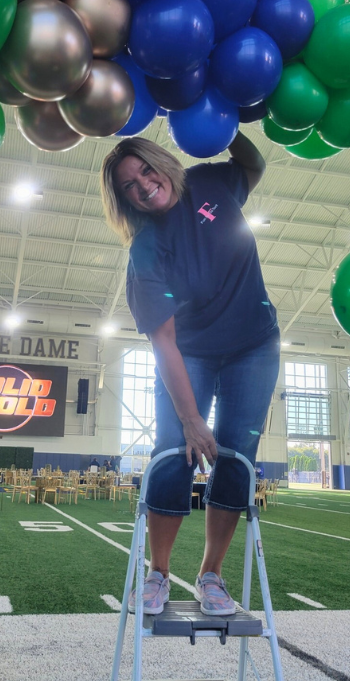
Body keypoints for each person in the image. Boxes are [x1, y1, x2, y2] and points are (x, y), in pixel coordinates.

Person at [100, 131, 279, 617]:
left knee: (237, 455)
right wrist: (190, 420)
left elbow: (254, 164)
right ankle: (157, 574)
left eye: (144, 170)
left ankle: (211, 575)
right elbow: (165, 343)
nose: (143, 184)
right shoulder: (147, 250)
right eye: (128, 185)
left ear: (160, 161)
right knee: (174, 450)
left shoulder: (211, 182)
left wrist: (227, 126)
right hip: (191, 351)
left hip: (254, 343)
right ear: (124, 201)